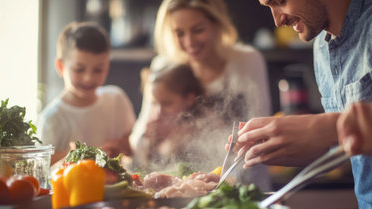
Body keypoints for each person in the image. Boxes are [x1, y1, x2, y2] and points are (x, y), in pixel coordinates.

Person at [234, 0, 372, 209]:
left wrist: (327, 127)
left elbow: (338, 128)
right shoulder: (321, 49)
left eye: (280, 2)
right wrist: (290, 147)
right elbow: (348, 148)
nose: (277, 20)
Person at [130, 0, 273, 191]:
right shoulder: (164, 66)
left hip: (244, 189)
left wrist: (223, 180)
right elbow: (140, 139)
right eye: (179, 33)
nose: (189, 42)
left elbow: (259, 135)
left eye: (197, 30)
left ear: (217, 24)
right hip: (181, 190)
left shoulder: (247, 61)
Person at [36, 21, 136, 164]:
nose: (89, 78)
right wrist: (78, 155)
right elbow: (43, 163)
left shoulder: (117, 99)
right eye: (79, 69)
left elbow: (134, 145)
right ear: (60, 66)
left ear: (107, 68)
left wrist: (120, 145)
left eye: (98, 70)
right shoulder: (51, 118)